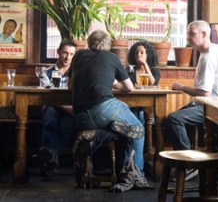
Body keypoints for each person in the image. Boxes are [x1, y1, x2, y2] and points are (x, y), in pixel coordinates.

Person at [165, 20, 218, 181]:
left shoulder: (208, 58)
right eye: (188, 34)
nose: (188, 38)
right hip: (213, 103)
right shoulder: (217, 49)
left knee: (173, 120)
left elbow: (204, 93)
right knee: (175, 118)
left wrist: (181, 86)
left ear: (204, 34)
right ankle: (193, 157)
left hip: (209, 107)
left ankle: (190, 165)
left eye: (192, 34)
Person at [68, 29, 146, 174]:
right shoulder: (112, 57)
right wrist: (114, 84)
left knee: (117, 121)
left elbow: (70, 85)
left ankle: (110, 130)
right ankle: (137, 174)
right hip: (103, 109)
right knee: (138, 129)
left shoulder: (78, 55)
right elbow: (129, 88)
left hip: (80, 118)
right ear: (107, 45)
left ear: (89, 42)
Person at [31, 39, 77, 178]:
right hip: (55, 107)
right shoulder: (46, 72)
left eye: (71, 54)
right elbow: (48, 96)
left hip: (71, 111)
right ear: (58, 52)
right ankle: (51, 157)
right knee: (50, 118)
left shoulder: (76, 73)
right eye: (65, 53)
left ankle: (48, 156)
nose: (67, 57)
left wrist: (70, 108)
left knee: (67, 125)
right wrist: (66, 107)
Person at [125, 40, 161, 173]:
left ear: (148, 55)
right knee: (136, 118)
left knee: (139, 118)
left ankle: (136, 168)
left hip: (148, 111)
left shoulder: (154, 71)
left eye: (142, 53)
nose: (138, 55)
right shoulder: (130, 70)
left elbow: (153, 84)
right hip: (131, 107)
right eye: (136, 53)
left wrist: (145, 65)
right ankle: (137, 169)